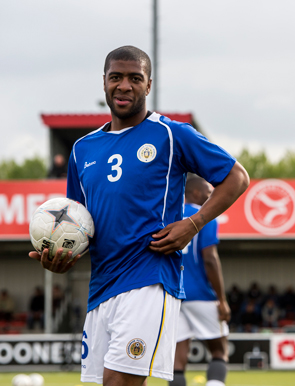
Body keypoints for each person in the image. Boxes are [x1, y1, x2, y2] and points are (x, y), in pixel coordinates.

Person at [29, 46, 249, 386]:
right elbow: (79, 225)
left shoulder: (171, 134)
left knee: (120, 383)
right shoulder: (82, 149)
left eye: (135, 78)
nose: (124, 86)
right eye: (116, 77)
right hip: (102, 287)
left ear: (148, 86)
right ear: (103, 82)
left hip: (149, 278)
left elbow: (236, 177)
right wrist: (63, 257)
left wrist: (193, 223)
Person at [170, 175, 231, 386]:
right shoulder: (204, 216)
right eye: (208, 191)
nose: (211, 194)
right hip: (200, 294)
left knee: (177, 359)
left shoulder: (170, 217)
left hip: (172, 295)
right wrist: (222, 299)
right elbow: (210, 259)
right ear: (195, 193)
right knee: (219, 350)